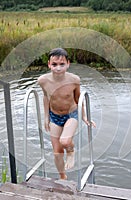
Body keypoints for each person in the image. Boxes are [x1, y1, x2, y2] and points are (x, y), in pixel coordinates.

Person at [38, 48, 95, 180]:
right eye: (54, 64)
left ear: (68, 64)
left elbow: (78, 99)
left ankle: (71, 151)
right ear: (49, 65)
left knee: (65, 141)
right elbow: (46, 97)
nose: (58, 68)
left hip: (71, 114)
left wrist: (85, 117)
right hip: (54, 116)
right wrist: (46, 117)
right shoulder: (43, 81)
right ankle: (63, 176)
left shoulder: (74, 80)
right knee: (57, 153)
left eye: (62, 64)